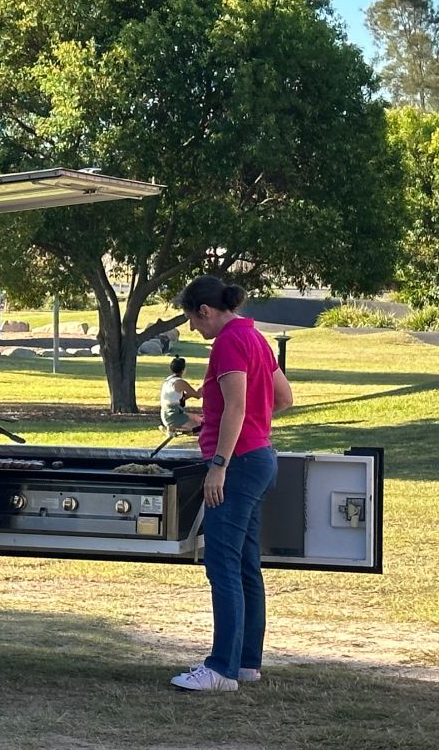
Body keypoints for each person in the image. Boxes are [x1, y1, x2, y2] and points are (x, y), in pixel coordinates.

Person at [169, 275, 293, 692]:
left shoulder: (228, 343)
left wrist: (219, 464)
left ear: (205, 311)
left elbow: (236, 407)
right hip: (260, 457)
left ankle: (221, 669)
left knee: (222, 563)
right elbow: (283, 398)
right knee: (244, 564)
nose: (192, 328)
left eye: (192, 319)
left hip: (237, 464)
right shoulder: (256, 337)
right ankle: (245, 663)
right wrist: (234, 421)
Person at [160, 356, 202, 432]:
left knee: (196, 418)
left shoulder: (168, 381)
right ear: (183, 370)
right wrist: (205, 381)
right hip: (174, 415)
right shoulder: (180, 382)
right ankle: (176, 429)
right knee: (200, 426)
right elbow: (197, 395)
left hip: (166, 414)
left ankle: (172, 428)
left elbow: (179, 398)